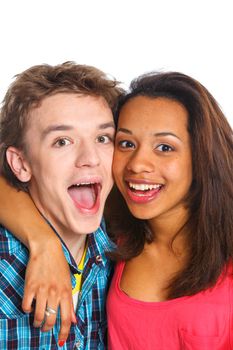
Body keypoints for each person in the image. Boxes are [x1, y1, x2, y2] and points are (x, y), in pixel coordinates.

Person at [1, 71, 233, 349]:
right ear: (20, 164)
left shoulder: (108, 237)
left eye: (102, 138)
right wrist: (43, 243)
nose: (137, 164)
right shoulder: (114, 233)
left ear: (202, 155)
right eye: (125, 143)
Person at [0, 61, 122, 349]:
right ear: (21, 163)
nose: (90, 158)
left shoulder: (122, 249)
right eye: (62, 141)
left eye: (103, 138)